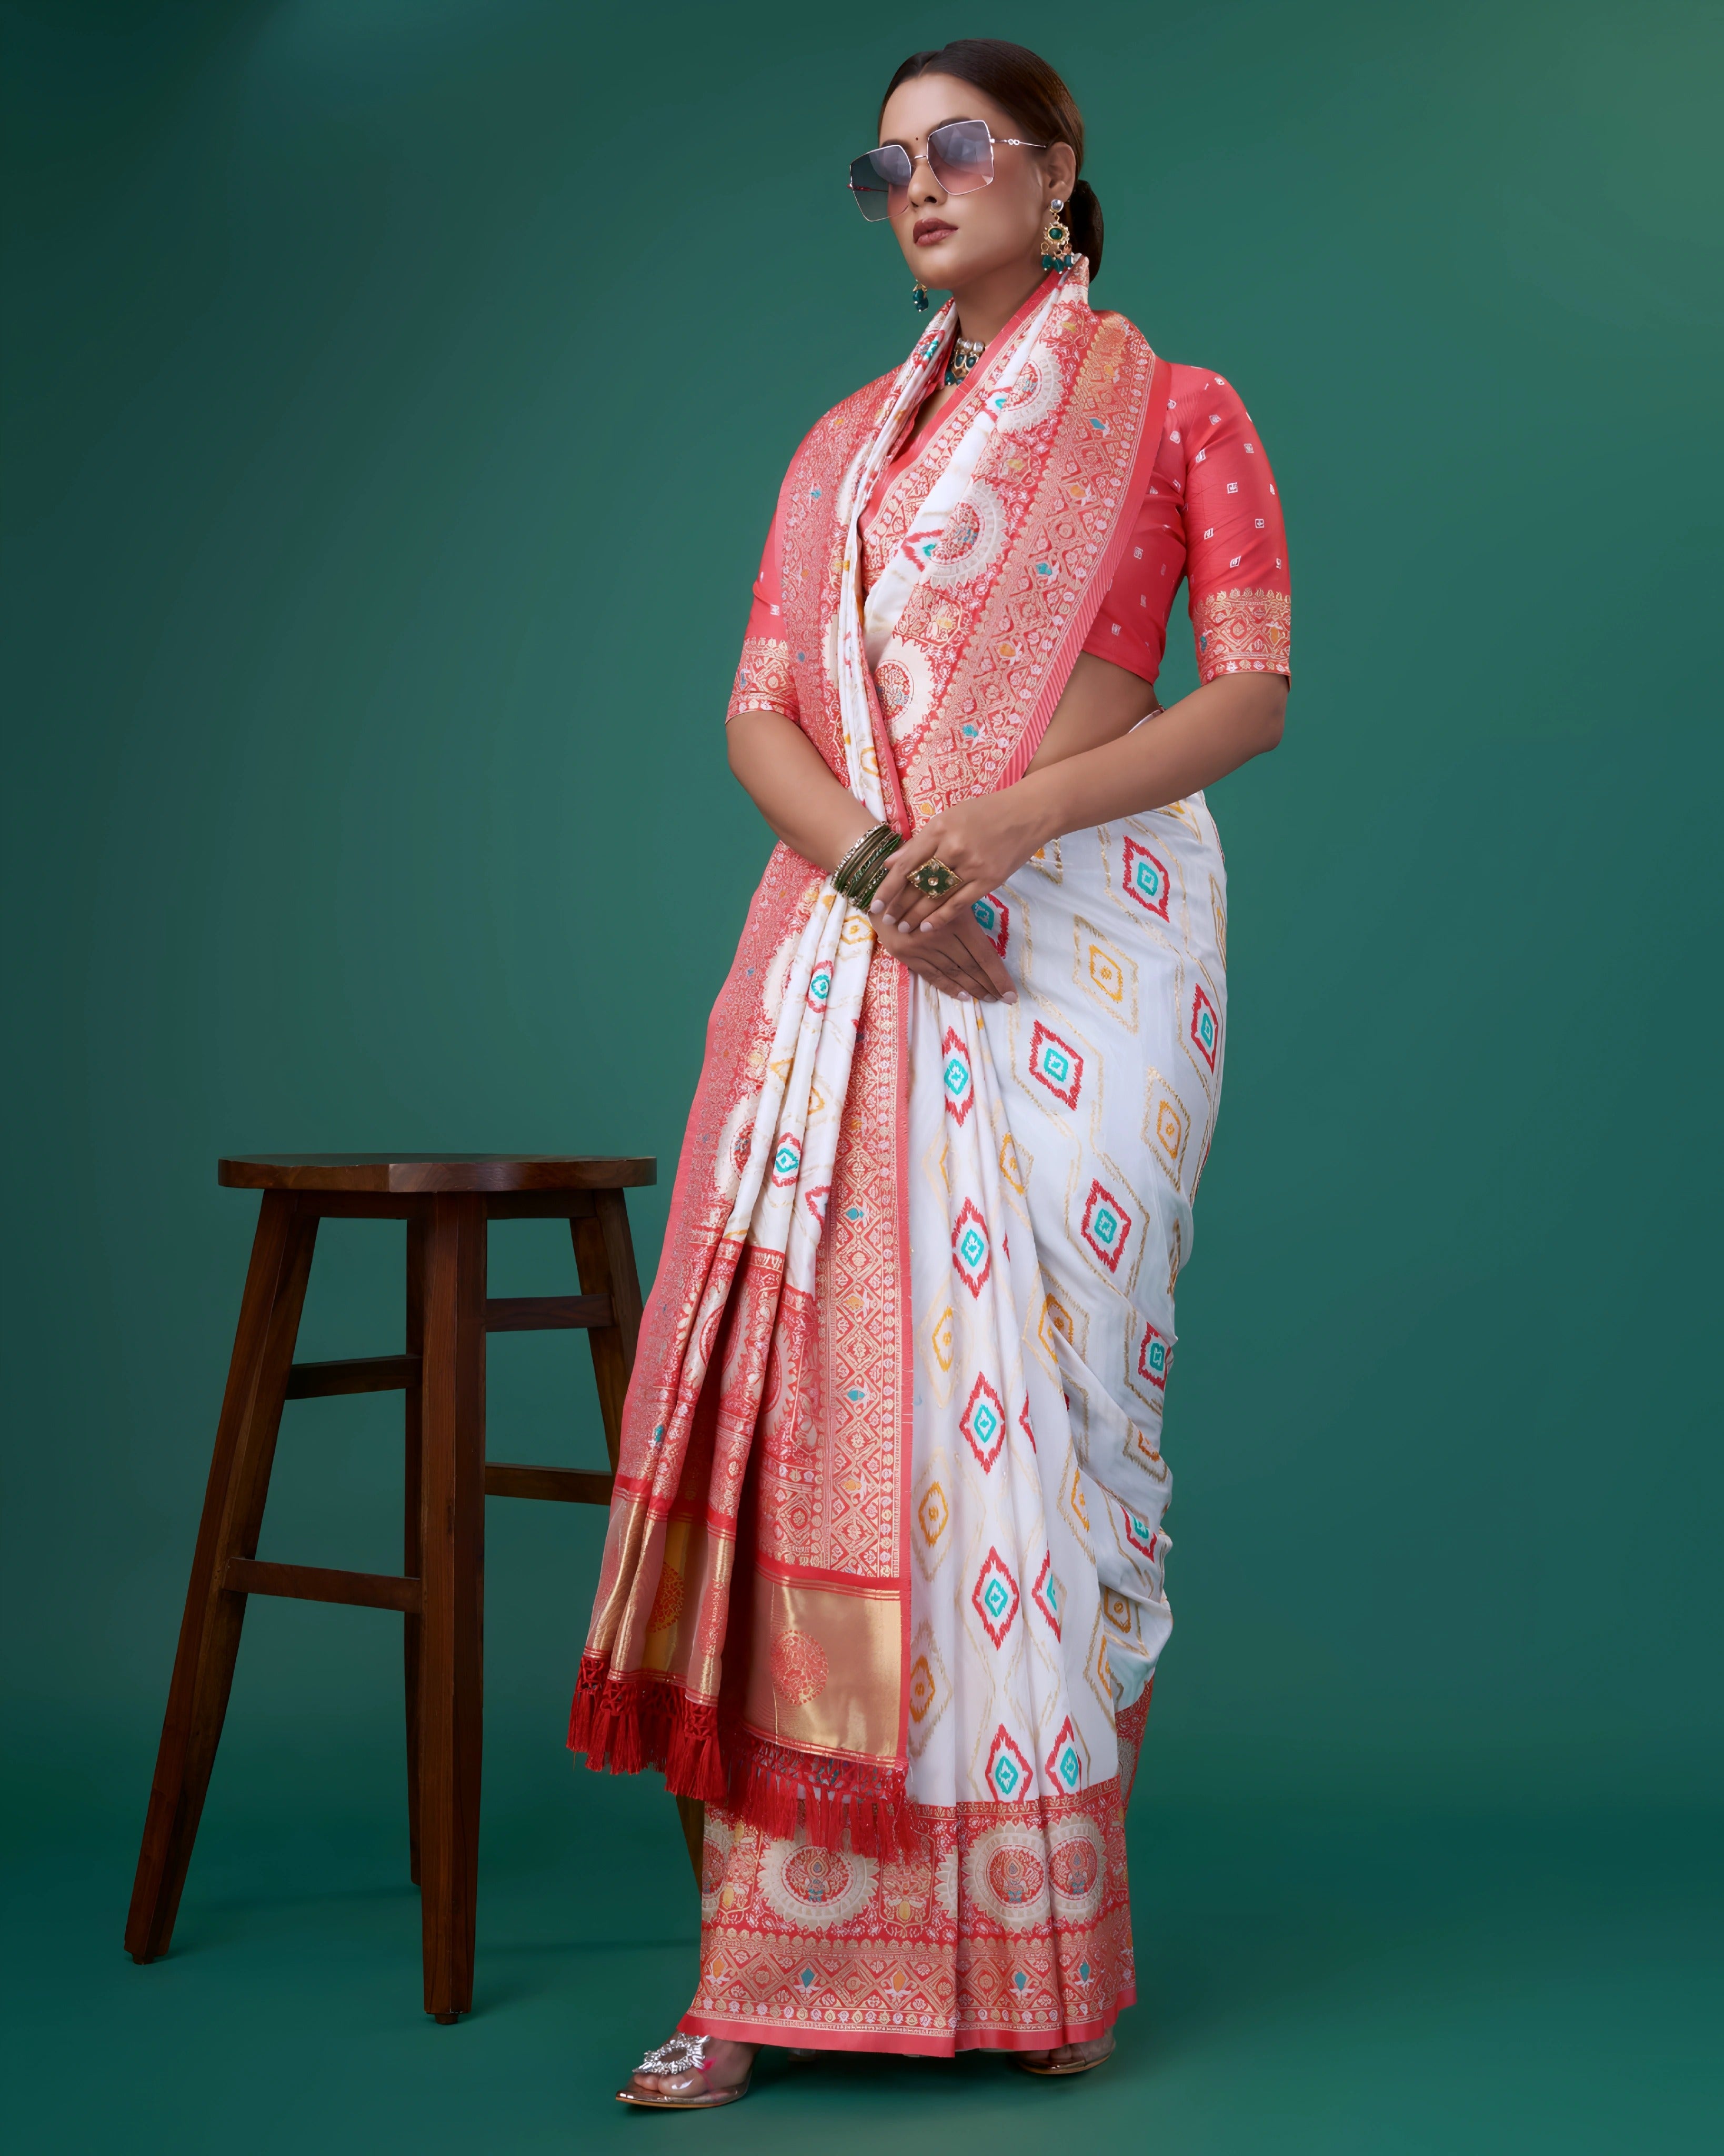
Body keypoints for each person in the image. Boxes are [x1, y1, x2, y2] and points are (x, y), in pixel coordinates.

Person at [571, 37, 1291, 2107]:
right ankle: (769, 1969)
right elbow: (758, 717)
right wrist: (897, 866)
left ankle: (1039, 1960)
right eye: (883, 162)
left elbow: (1250, 690)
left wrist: (1015, 824)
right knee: (835, 1429)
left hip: (1087, 951)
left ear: (1059, 174)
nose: (916, 183)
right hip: (864, 952)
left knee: (1057, 1449)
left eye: (956, 147)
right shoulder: (835, 455)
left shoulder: (1178, 410)